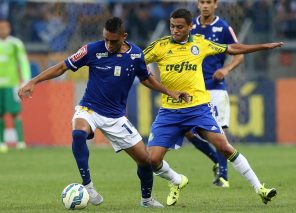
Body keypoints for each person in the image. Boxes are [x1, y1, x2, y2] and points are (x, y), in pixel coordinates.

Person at [18, 17, 188, 208]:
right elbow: (62, 67)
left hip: (116, 117)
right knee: (78, 133)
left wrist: (169, 92)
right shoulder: (91, 49)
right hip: (89, 108)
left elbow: (147, 79)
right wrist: (34, 81)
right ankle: (88, 186)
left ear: (124, 37)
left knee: (145, 161)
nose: (108, 44)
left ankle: (147, 200)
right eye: (106, 39)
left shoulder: (136, 55)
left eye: (113, 41)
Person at [143, 8, 282, 206]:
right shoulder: (160, 46)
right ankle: (176, 180)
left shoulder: (200, 43)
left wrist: (263, 47)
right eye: (172, 26)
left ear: (190, 27)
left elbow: (232, 48)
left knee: (225, 147)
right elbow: (136, 59)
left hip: (198, 109)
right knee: (152, 160)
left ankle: (260, 188)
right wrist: (141, 67)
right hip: (170, 112)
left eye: (180, 27)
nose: (175, 30)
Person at [183, 0, 245, 188]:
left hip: (215, 88)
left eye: (209, 2)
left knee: (218, 130)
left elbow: (239, 53)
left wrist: (226, 70)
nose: (205, 5)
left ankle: (223, 176)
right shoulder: (189, 26)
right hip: (192, 88)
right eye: (202, 2)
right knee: (187, 131)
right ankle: (217, 162)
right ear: (197, 4)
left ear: (215, 4)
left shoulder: (223, 27)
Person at [0, 19, 31, 153]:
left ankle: (20, 142)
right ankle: (1, 142)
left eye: (5, 27)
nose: (3, 30)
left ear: (9, 28)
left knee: (15, 113)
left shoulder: (15, 44)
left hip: (12, 84)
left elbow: (23, 62)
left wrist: (25, 80)